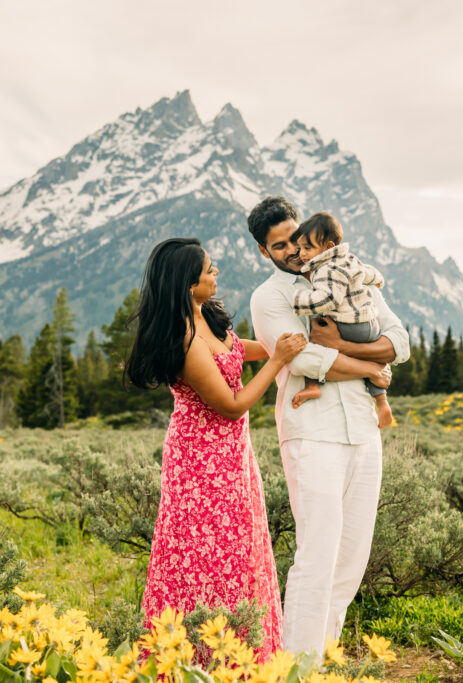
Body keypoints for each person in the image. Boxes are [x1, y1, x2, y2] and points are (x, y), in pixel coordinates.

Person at [126, 237, 307, 661]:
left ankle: (243, 655)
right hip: (199, 462)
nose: (216, 272)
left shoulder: (207, 318)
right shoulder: (184, 340)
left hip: (231, 459)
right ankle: (197, 659)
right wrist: (278, 362)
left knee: (238, 550)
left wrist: (288, 345)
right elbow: (231, 405)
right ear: (189, 284)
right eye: (209, 269)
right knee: (201, 556)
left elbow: (240, 351)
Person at [247, 197, 410, 656]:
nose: (294, 253)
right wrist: (369, 366)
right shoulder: (269, 298)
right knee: (317, 555)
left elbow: (401, 340)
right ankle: (297, 667)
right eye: (280, 247)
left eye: (295, 239)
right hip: (311, 432)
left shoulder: (351, 272)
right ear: (264, 251)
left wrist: (347, 348)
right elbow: (303, 357)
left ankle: (323, 657)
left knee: (351, 560)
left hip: (363, 429)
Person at [288, 212, 394, 429]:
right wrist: (379, 280)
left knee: (317, 338)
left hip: (349, 325)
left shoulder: (327, 269)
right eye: (300, 248)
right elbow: (369, 274)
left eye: (308, 248)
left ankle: (312, 384)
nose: (302, 254)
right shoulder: (350, 260)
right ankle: (381, 401)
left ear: (327, 247)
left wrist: (298, 300)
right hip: (369, 325)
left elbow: (328, 299)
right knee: (374, 362)